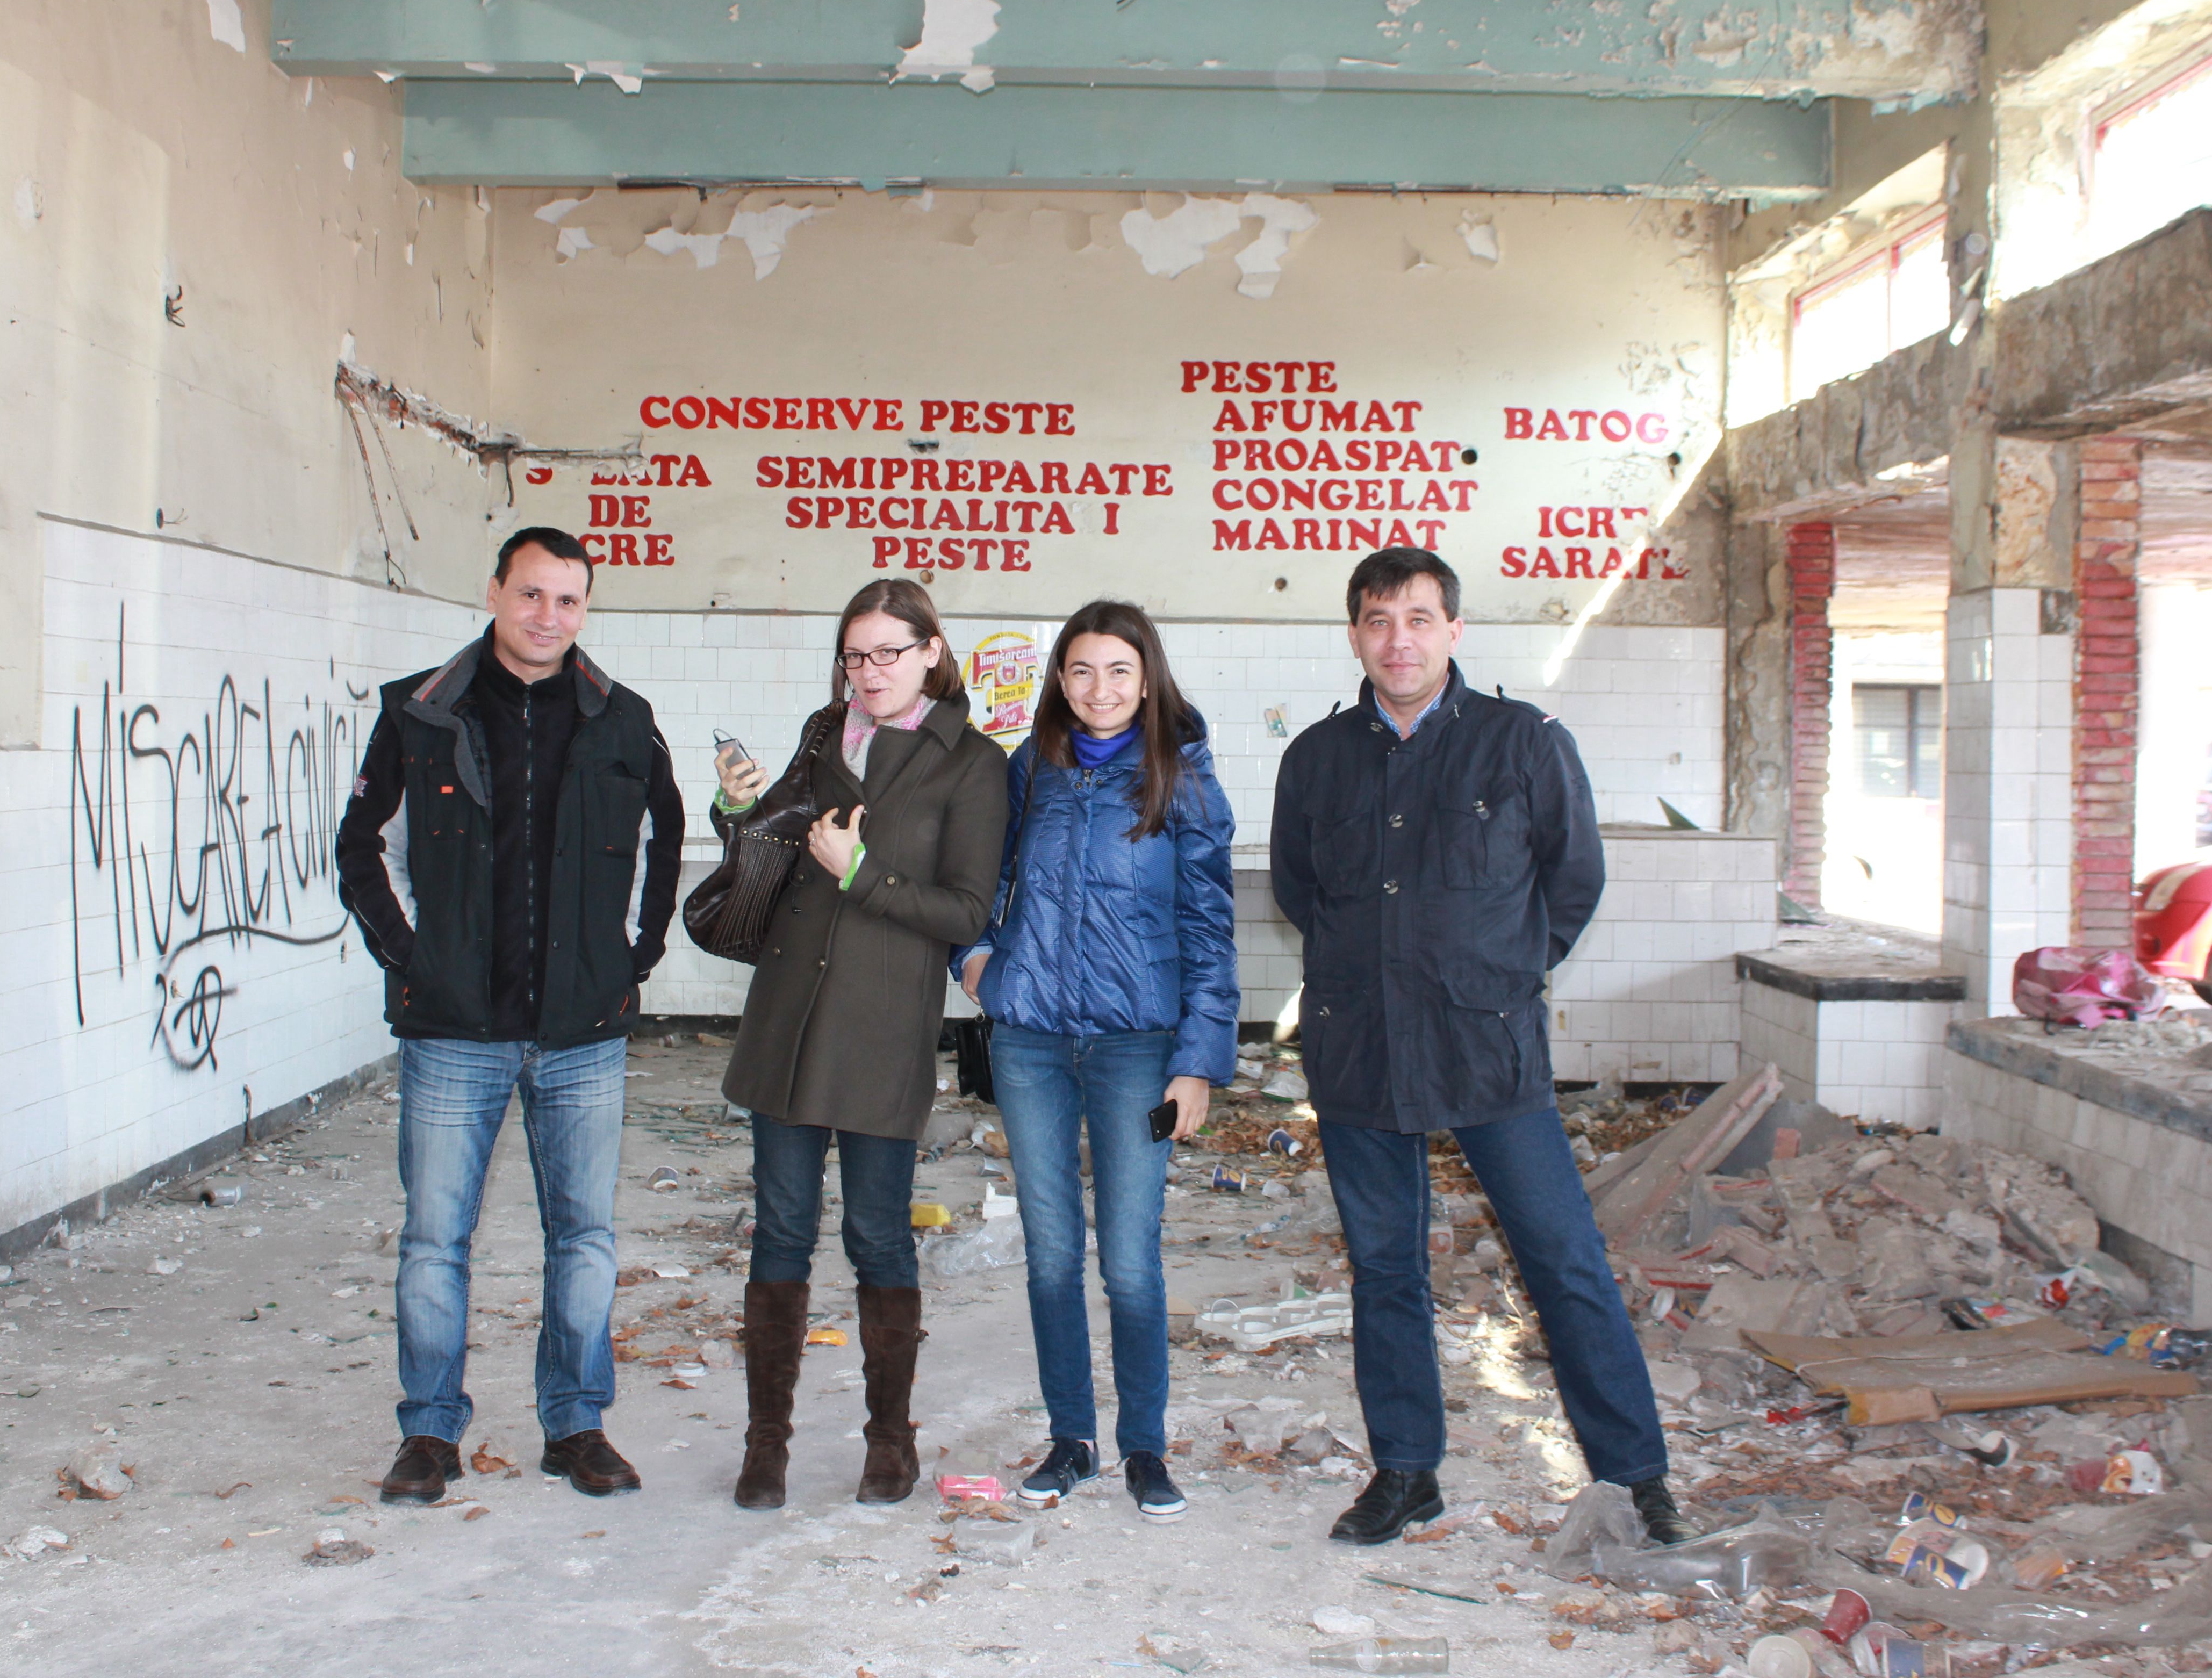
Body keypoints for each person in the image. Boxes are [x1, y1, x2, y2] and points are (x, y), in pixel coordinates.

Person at [1269, 546, 1690, 1548]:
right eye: (1378, 621)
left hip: (1486, 1046)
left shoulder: (1524, 743)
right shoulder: (1317, 759)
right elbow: (1299, 890)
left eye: (1418, 619)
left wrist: (1499, 975)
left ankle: (1635, 1479)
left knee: (1563, 1260)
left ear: (1454, 631)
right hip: (1362, 1045)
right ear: (1355, 635)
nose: (1398, 641)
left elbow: (1572, 882)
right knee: (1385, 1269)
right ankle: (1406, 1472)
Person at [335, 526, 685, 1505]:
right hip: (455, 1031)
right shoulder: (421, 713)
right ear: (494, 592)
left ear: (585, 610)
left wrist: (631, 959)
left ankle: (576, 1425)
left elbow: (665, 841)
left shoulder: (625, 719)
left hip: (582, 1035)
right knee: (433, 1242)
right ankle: (429, 1433)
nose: (548, 616)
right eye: (531, 594)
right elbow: (363, 847)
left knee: (585, 1240)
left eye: (568, 600)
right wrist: (415, 960)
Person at [713, 578, 1009, 1510]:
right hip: (788, 1020)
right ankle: (766, 1445)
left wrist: (861, 874)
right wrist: (736, 808)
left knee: (878, 1235)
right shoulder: (822, 736)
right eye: (855, 655)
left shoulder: (973, 763)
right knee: (781, 1231)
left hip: (883, 1029)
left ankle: (891, 1441)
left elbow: (965, 910)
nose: (869, 672)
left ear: (931, 652)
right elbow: (770, 845)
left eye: (889, 652)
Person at [954, 601, 1237, 1519]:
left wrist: (1197, 1060)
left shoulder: (1181, 778)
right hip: (1031, 1041)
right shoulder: (1031, 768)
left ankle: (1144, 1447)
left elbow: (1210, 926)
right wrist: (977, 959)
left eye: (1119, 671)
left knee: (1129, 1261)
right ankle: (1071, 1439)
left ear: (1148, 680)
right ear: (1060, 680)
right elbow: (982, 878)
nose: (1099, 689)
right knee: (1049, 1253)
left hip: (1136, 1048)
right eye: (1081, 670)